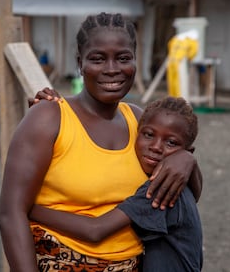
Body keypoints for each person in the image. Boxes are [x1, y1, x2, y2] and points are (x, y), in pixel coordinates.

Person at [0, 12, 202, 272]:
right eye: (98, 59)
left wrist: (187, 161)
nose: (112, 69)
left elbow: (182, 196)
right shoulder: (49, 118)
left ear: (135, 62)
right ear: (80, 63)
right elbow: (10, 213)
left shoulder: (140, 122)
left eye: (123, 58)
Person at [30, 97, 203, 271]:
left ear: (187, 152)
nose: (156, 147)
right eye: (149, 135)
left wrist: (30, 209)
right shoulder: (180, 179)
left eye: (171, 143)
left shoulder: (159, 189)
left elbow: (95, 230)